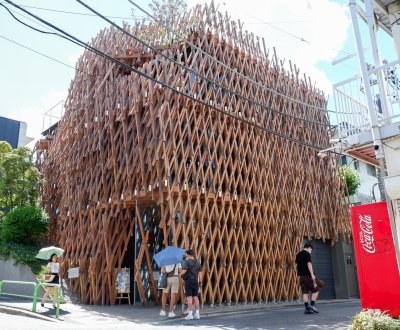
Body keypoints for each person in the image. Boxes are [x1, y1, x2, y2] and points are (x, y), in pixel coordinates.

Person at [295, 243, 323, 314]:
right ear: (309, 248)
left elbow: (296, 265)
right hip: (308, 276)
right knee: (317, 289)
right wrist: (312, 274)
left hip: (302, 277)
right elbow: (309, 264)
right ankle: (312, 305)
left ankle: (307, 308)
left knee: (305, 292)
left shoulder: (298, 254)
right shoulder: (307, 254)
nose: (311, 251)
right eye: (311, 250)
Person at [180, 249, 202, 320]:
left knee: (189, 298)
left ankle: (190, 314)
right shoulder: (198, 262)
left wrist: (180, 273)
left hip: (189, 282)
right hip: (196, 282)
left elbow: (184, 271)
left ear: (188, 255)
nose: (185, 255)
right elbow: (200, 274)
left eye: (186, 254)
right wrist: (200, 282)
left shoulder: (187, 262)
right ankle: (197, 314)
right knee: (196, 297)